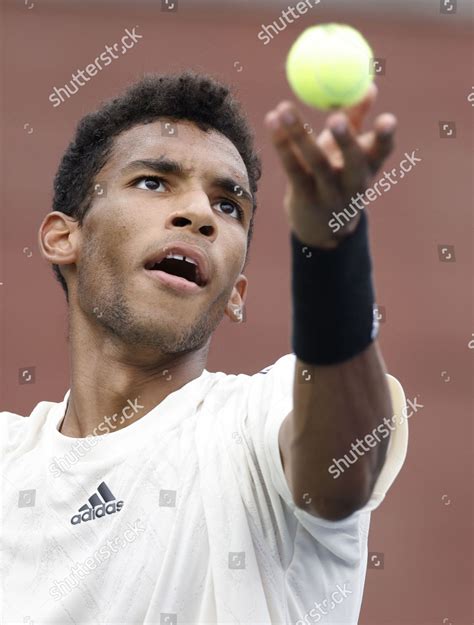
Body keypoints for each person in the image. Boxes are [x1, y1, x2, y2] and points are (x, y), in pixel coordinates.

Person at [1, 70, 408, 624]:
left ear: (234, 294)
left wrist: (332, 253)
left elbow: (342, 478)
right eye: (153, 182)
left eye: (228, 206)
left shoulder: (261, 420)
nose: (198, 214)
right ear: (64, 237)